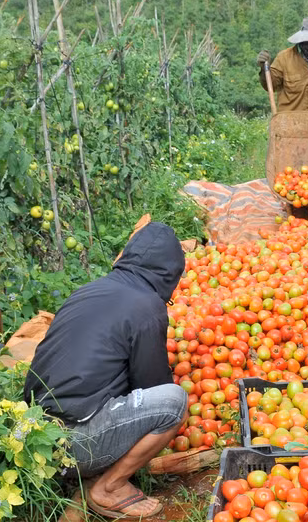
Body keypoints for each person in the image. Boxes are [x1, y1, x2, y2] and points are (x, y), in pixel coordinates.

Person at [24, 221, 187, 519]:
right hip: (74, 444)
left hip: (35, 438)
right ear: (169, 274)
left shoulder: (90, 290)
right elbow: (152, 385)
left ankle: (85, 477)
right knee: (175, 402)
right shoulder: (147, 305)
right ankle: (109, 486)